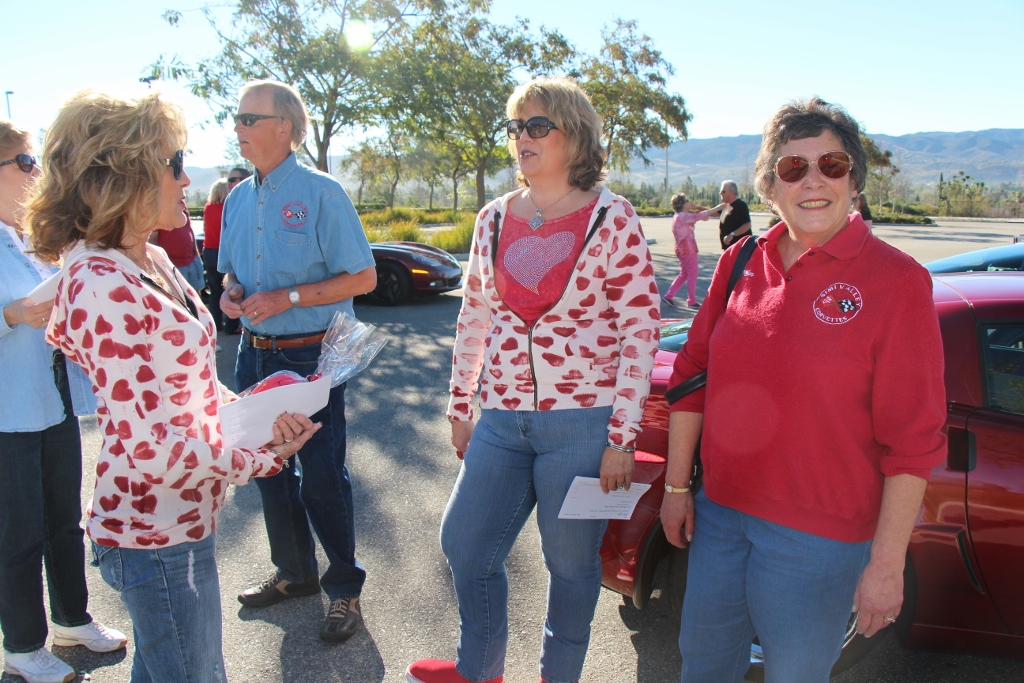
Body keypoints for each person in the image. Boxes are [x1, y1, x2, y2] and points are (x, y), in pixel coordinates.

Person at [27, 90, 320, 683]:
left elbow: (188, 389)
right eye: (173, 161)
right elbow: (152, 448)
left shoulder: (149, 259)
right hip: (152, 531)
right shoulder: (100, 283)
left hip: (182, 516)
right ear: (122, 174)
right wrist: (259, 463)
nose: (187, 177)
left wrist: (259, 420)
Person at [660, 98, 947, 683]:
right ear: (769, 186)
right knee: (703, 665)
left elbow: (914, 440)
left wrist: (887, 566)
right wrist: (675, 487)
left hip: (820, 539)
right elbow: (691, 375)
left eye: (831, 165)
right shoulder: (741, 260)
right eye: (793, 168)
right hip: (721, 516)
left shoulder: (898, 281)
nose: (813, 180)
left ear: (854, 180)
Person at [406, 76, 660, 683]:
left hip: (583, 425)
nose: (522, 137)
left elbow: (640, 331)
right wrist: (459, 403)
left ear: (574, 136)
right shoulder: (493, 218)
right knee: (466, 544)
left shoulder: (613, 218)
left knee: (571, 567)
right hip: (500, 416)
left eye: (537, 126)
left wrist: (622, 436)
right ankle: (480, 670)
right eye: (516, 127)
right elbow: (474, 315)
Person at [218, 79, 377, 642]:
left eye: (247, 118)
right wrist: (232, 294)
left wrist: (286, 298)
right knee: (267, 471)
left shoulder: (321, 192)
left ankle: (344, 591)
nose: (237, 126)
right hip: (252, 356)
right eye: (236, 118)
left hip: (311, 357)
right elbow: (232, 273)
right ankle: (295, 575)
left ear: (283, 127)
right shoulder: (238, 197)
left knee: (322, 479)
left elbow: (363, 276)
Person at [0, 121, 127, 683]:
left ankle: (72, 619)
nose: (36, 173)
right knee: (18, 531)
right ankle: (23, 647)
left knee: (63, 521)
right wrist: (11, 315)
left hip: (52, 405)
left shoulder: (31, 237)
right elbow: (19, 311)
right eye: (25, 163)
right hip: (8, 415)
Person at [661, 193, 726, 309]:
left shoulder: (682, 216)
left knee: (684, 273)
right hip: (687, 248)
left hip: (683, 248)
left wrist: (697, 207)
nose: (689, 203)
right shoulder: (682, 216)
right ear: (682, 204)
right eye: (687, 201)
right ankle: (691, 300)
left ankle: (669, 296)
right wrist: (718, 208)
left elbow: (704, 217)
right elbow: (700, 216)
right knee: (692, 273)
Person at [151, 213, 205, 293]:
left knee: (196, 296)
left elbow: (189, 229)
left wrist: (197, 254)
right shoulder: (159, 207)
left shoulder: (181, 204)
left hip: (192, 260)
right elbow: (152, 239)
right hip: (173, 265)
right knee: (180, 297)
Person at [202, 179, 230, 333]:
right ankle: (231, 326)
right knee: (230, 288)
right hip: (222, 251)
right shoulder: (226, 208)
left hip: (208, 250)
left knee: (214, 291)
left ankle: (216, 324)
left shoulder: (208, 207)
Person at [711, 180, 752, 250]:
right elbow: (713, 213)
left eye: (723, 191)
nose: (720, 193)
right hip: (729, 247)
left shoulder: (740, 205)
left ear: (732, 192)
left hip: (740, 247)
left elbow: (747, 225)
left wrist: (732, 234)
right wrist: (697, 209)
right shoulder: (726, 206)